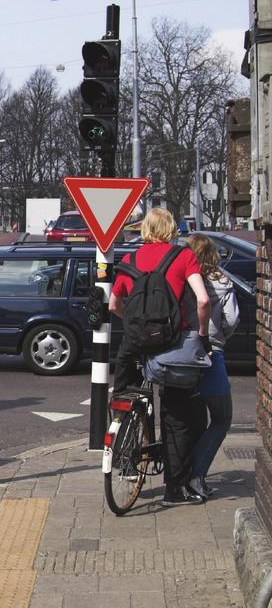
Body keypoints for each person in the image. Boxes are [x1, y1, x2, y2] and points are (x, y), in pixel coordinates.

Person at [109, 207, 211, 507]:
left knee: (124, 397)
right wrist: (201, 335)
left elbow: (114, 304)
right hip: (171, 343)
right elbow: (203, 300)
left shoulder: (129, 260)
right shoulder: (183, 257)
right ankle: (173, 490)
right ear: (171, 229)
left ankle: (125, 457)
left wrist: (136, 324)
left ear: (145, 230)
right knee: (177, 416)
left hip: (134, 343)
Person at [186, 234, 239, 499]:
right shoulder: (221, 281)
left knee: (184, 418)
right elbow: (233, 318)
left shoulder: (182, 279)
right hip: (210, 354)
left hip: (179, 356)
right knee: (221, 418)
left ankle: (179, 473)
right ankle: (196, 475)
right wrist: (219, 338)